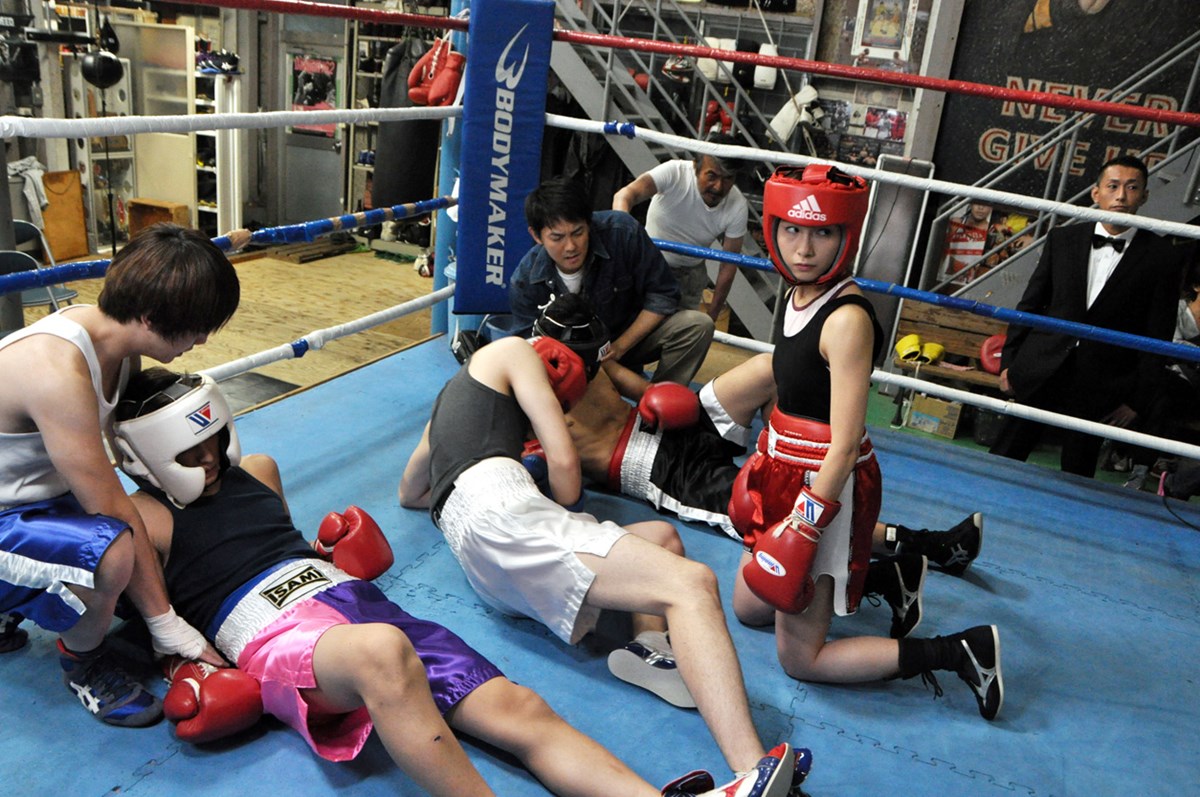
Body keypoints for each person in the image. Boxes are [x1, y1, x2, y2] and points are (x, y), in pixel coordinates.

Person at [112, 368, 796, 797]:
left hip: (355, 603)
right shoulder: (143, 518)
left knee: (523, 710)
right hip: (275, 633)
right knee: (383, 654)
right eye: (188, 451)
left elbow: (271, 543)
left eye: (212, 440)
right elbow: (127, 595)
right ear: (144, 457)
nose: (209, 458)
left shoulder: (258, 469)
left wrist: (331, 557)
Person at [399, 333, 808, 793]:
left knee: (661, 538)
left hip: (480, 560)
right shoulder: (511, 350)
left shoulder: (448, 405)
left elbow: (411, 493)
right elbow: (565, 466)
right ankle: (753, 770)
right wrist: (545, 482)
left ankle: (648, 647)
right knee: (692, 584)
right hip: (504, 510)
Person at [534, 292, 983, 641]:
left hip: (670, 422)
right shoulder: (536, 399)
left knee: (769, 367)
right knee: (770, 512)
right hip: (652, 467)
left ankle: (791, 455)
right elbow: (562, 480)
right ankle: (923, 545)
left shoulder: (588, 355)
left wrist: (659, 397)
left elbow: (637, 388)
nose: (591, 368)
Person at [725, 164, 1005, 720]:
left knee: (800, 660)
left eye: (822, 233)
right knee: (748, 606)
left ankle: (960, 651)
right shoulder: (797, 291)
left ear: (846, 235)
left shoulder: (846, 320)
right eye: (792, 230)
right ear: (773, 228)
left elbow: (846, 442)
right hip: (783, 465)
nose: (804, 248)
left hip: (824, 481)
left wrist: (806, 524)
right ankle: (891, 574)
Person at [0, 223, 239, 726]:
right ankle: (83, 664)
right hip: (9, 515)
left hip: (34, 502)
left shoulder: (118, 349)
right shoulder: (56, 371)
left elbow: (130, 474)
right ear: (150, 316)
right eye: (196, 327)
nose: (201, 339)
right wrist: (165, 622)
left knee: (158, 514)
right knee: (110, 554)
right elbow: (110, 508)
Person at [989, 155, 1181, 478]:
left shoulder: (1162, 256)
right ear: (1096, 193)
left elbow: (1158, 334)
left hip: (1103, 381)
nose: (1121, 196)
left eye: (1132, 188)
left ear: (1145, 196)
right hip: (1040, 367)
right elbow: (1030, 305)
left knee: (1077, 476)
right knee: (1001, 460)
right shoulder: (1063, 239)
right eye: (1113, 186)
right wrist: (1008, 362)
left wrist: (1137, 400)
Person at [508, 177, 714, 394]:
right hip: (572, 364)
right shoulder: (524, 281)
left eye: (578, 233)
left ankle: (661, 405)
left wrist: (620, 346)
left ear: (589, 223)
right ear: (536, 235)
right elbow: (527, 349)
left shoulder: (623, 232)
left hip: (629, 341)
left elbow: (663, 294)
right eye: (557, 238)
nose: (570, 246)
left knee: (697, 325)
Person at [612, 137, 749, 321]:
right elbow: (625, 195)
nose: (718, 187)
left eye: (728, 178)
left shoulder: (737, 205)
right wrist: (622, 241)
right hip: (647, 263)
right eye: (712, 176)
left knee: (684, 332)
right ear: (695, 167)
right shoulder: (674, 172)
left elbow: (729, 264)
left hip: (689, 277)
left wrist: (713, 315)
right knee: (630, 323)